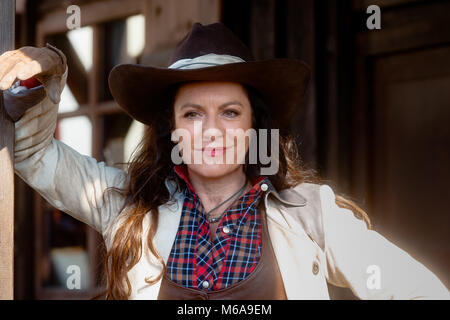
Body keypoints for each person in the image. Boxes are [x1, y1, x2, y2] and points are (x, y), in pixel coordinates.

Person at [1, 22, 448, 300]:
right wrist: (51, 63)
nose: (211, 130)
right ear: (172, 129)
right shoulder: (127, 208)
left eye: (230, 112)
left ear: (254, 126)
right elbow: (33, 153)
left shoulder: (312, 214)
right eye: (193, 114)